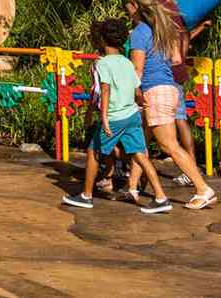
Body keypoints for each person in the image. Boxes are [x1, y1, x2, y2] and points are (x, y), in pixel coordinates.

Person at [63, 18, 172, 213]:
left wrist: (103, 116)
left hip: (114, 116)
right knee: (140, 154)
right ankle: (161, 197)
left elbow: (104, 90)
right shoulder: (127, 62)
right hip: (132, 115)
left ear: (102, 40)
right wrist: (141, 103)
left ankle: (86, 195)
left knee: (94, 151)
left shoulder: (103, 64)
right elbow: (137, 90)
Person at [126, 0, 215, 208]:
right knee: (142, 141)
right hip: (168, 89)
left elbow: (137, 70)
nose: (125, 10)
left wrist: (129, 93)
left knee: (169, 146)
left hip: (153, 91)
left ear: (136, 7)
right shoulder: (163, 29)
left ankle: (203, 189)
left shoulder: (139, 31)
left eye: (127, 5)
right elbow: (176, 59)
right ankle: (132, 187)